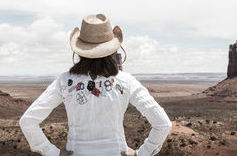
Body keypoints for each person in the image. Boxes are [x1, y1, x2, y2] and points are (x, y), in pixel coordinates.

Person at [20, 14, 172, 156]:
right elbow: (163, 124)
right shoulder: (126, 81)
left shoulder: (64, 81)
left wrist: (52, 152)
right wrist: (142, 153)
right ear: (114, 48)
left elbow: (28, 121)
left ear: (79, 50)